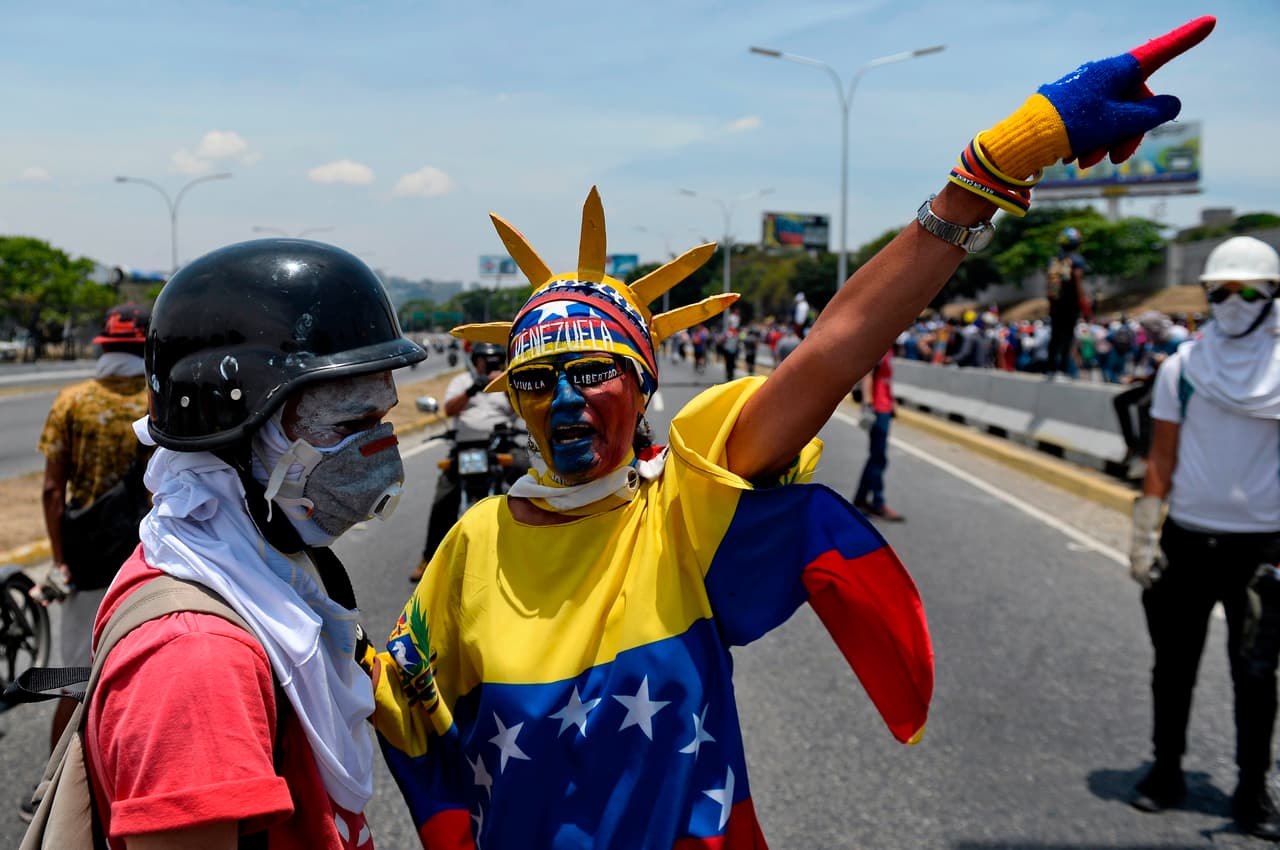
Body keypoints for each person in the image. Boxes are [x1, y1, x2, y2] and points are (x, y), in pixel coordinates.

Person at [371, 19, 1212, 848]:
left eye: (593, 372)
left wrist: (991, 166)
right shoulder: (471, 547)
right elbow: (391, 708)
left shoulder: (682, 508)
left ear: (644, 380)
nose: (563, 401)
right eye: (534, 381)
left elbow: (831, 351)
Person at [78, 240, 425, 847]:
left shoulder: (270, 569)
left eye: (382, 418)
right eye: (349, 426)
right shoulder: (197, 660)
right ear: (239, 430)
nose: (382, 449)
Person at [1128, 235, 1280, 839]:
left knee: (1255, 674)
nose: (1235, 301)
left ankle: (1252, 793)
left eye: (1251, 290)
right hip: (1189, 541)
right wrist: (1145, 534)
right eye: (1222, 291)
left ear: (1274, 297)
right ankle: (1165, 774)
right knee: (1173, 666)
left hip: (1263, 551)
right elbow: (1161, 457)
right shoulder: (1183, 367)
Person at [22, 303, 151, 822]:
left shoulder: (72, 402)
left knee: (75, 678)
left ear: (102, 348)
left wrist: (60, 561)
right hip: (149, 560)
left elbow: (53, 490)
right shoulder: (157, 402)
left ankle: (52, 792)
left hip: (87, 562)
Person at [409, 341, 526, 582]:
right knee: (443, 498)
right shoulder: (461, 382)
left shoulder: (508, 383)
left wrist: (503, 385)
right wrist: (474, 388)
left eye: (496, 359)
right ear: (475, 361)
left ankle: (536, 544)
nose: (491, 363)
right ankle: (429, 557)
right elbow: (450, 410)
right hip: (466, 448)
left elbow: (522, 409)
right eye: (485, 359)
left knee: (527, 475)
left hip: (502, 445)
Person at [853, 347, 904, 522]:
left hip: (884, 407)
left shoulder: (889, 347)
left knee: (875, 457)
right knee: (878, 457)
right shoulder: (881, 345)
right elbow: (867, 373)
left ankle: (860, 499)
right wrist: (868, 404)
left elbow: (885, 380)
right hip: (878, 408)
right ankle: (877, 502)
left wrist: (892, 402)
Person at [1046, 226, 1091, 378]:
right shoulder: (1077, 260)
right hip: (1070, 304)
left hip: (1056, 305)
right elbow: (1078, 281)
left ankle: (1051, 369)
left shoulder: (1055, 260)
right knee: (1068, 336)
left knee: (1055, 336)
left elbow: (1050, 286)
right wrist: (1083, 303)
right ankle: (1063, 370)